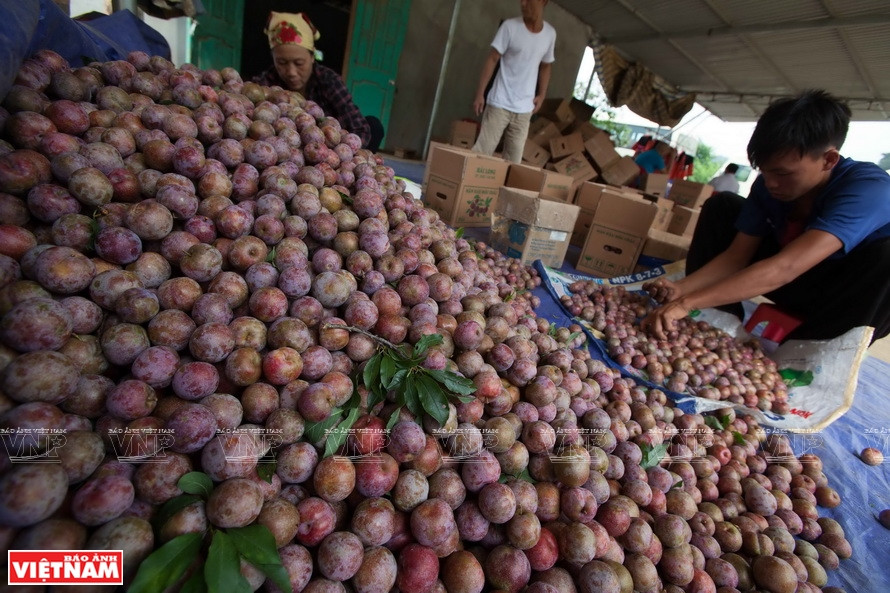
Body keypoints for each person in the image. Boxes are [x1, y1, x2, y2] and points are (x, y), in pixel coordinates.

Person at [642, 90, 890, 344]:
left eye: (783, 174)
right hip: (787, 280)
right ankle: (717, 322)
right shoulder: (768, 186)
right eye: (765, 172)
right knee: (723, 206)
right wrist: (682, 290)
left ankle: (809, 354)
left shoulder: (868, 189)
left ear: (828, 160)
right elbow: (736, 257)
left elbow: (786, 268)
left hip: (841, 299)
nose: (770, 183)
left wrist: (686, 302)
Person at [253, 11, 383, 152]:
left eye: (299, 63)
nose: (291, 72)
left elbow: (359, 127)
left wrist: (338, 154)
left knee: (373, 125)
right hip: (285, 152)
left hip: (329, 149)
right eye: (282, 62)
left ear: (312, 57)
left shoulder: (328, 80)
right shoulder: (265, 83)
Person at [471, 0, 556, 164]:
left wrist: (542, 94)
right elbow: (492, 58)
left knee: (514, 161)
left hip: (525, 108)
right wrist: (480, 94)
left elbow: (546, 66)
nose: (523, 4)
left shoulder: (550, 34)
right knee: (482, 153)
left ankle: (504, 190)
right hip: (499, 102)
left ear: (543, 2)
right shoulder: (510, 27)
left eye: (528, 0)